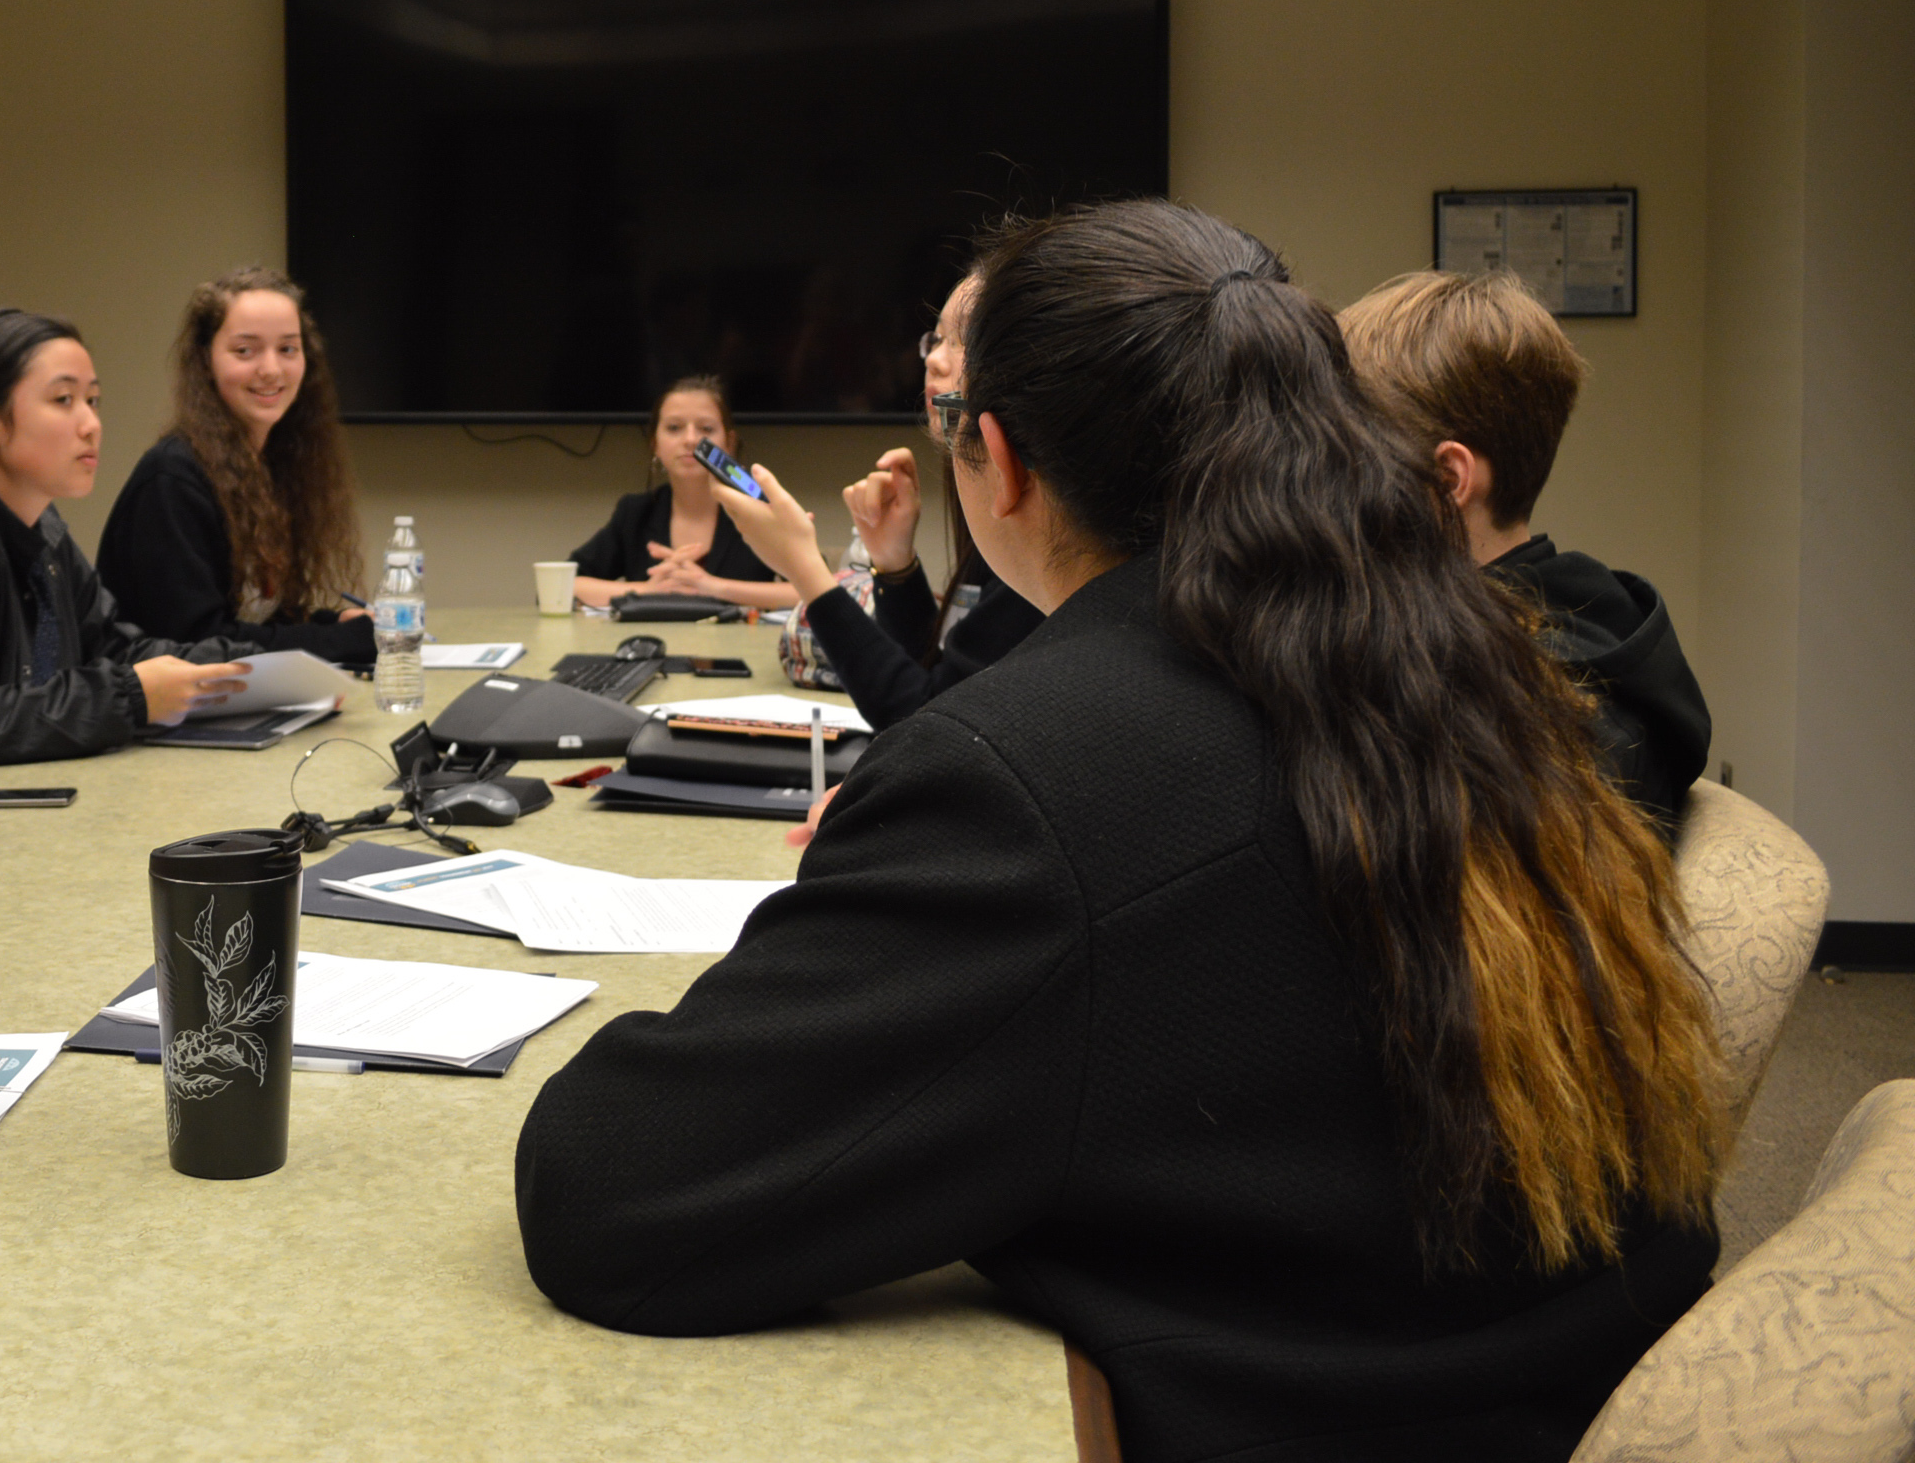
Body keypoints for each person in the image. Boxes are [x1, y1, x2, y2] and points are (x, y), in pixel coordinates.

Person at [518, 201, 1725, 1463]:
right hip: (1537, 1371)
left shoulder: (1036, 775)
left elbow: (612, 1190)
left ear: (997, 455)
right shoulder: (1474, 656)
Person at [1341, 269, 1711, 836]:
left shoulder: (1532, 721)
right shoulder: (1594, 626)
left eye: (1347, 460)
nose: (1323, 488)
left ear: (1447, 480)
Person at [0, 308, 251, 763]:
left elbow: (114, 646)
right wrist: (131, 698)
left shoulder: (40, 523)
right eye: (63, 400)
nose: (91, 424)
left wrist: (248, 668)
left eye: (92, 401)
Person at [737, 277, 1041, 724]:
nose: (935, 360)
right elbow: (942, 686)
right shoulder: (994, 498)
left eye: (963, 341)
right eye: (936, 339)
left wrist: (802, 566)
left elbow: (930, 724)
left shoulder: (1043, 515)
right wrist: (895, 564)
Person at [96, 268, 372, 663]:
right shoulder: (173, 479)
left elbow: (251, 621)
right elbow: (200, 643)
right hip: (166, 719)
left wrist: (331, 624)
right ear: (206, 360)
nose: (271, 369)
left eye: (288, 349)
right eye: (245, 351)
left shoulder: (275, 465)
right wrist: (345, 642)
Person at [566, 378, 797, 613]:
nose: (690, 440)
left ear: (729, 443)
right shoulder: (635, 512)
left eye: (706, 429)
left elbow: (819, 588)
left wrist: (714, 587)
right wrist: (648, 590)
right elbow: (564, 585)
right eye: (674, 428)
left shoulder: (758, 509)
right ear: (655, 444)